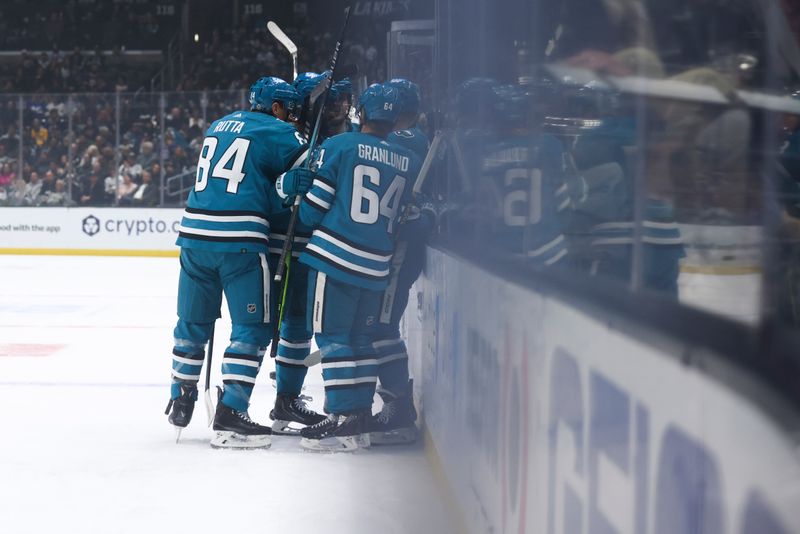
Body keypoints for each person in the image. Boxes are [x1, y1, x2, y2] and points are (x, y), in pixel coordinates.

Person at [165, 76, 308, 449]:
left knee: (192, 323)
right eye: (289, 110)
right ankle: (231, 413)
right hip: (239, 241)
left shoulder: (219, 123)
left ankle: (181, 396)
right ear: (276, 107)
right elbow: (309, 163)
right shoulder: (278, 130)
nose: (292, 118)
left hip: (194, 235)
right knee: (252, 329)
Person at [278, 83, 419, 452]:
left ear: (363, 114)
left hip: (334, 259)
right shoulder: (408, 158)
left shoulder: (339, 146)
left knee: (333, 340)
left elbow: (310, 213)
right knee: (360, 340)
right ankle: (358, 416)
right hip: (377, 266)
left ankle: (342, 419)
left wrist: (298, 194)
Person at [367, 78, 434, 444]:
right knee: (380, 325)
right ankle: (393, 406)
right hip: (396, 242)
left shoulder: (406, 139)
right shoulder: (411, 135)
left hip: (402, 243)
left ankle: (398, 413)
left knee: (382, 327)